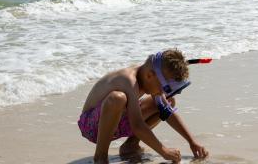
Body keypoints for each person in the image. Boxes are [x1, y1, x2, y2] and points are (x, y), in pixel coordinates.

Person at [78, 49, 208, 164]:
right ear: (150, 75)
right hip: (93, 128)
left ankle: (130, 145)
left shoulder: (150, 79)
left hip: (119, 123)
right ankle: (100, 157)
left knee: (168, 102)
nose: (163, 92)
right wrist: (164, 151)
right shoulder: (128, 81)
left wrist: (192, 142)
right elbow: (137, 125)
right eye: (163, 88)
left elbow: (167, 112)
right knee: (117, 98)